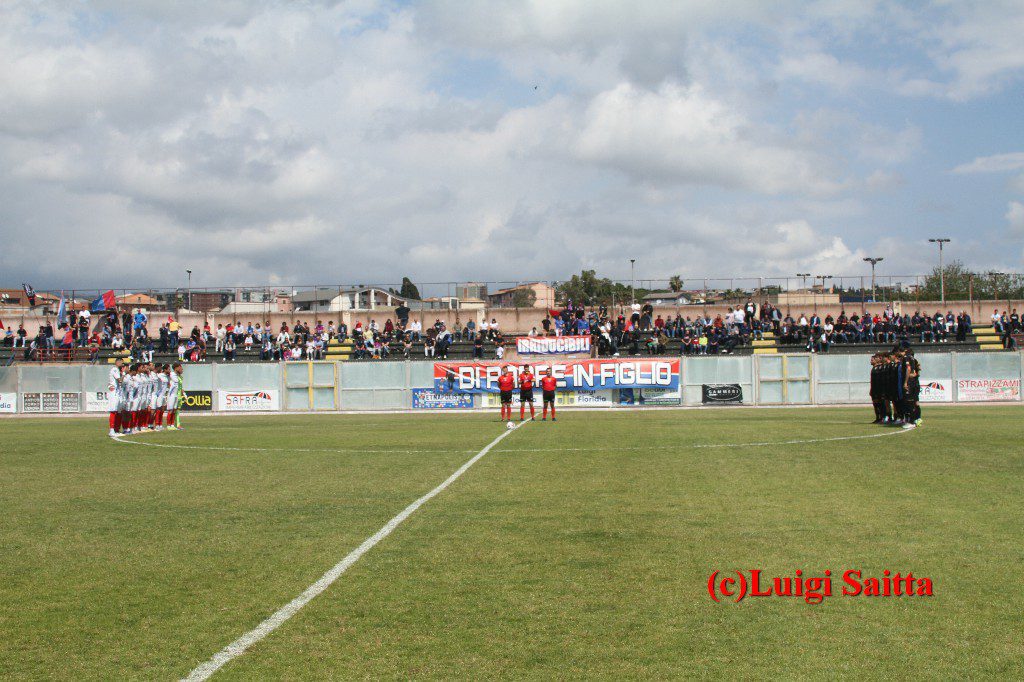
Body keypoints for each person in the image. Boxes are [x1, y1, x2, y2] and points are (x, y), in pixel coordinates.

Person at [107, 358, 124, 437]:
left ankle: (115, 430)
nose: (122, 365)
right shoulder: (115, 369)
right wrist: (123, 374)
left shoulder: (117, 370)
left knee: (116, 411)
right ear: (117, 362)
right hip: (113, 392)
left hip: (116, 392)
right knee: (113, 411)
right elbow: (119, 380)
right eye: (121, 363)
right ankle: (111, 430)